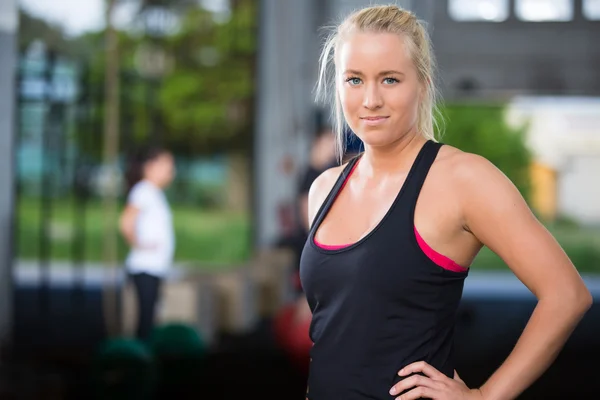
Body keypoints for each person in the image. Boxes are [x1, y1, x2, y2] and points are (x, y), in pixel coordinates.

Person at [299, 5, 592, 400]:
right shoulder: (324, 189)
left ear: (422, 82)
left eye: (389, 79)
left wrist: (485, 396)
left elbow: (567, 295)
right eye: (354, 80)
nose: (370, 99)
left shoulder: (462, 180)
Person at [119, 146, 176, 341]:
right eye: (167, 165)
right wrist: (141, 245)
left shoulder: (153, 192)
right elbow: (126, 223)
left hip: (155, 267)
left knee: (151, 317)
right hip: (145, 267)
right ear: (151, 166)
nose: (171, 172)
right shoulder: (143, 190)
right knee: (145, 320)